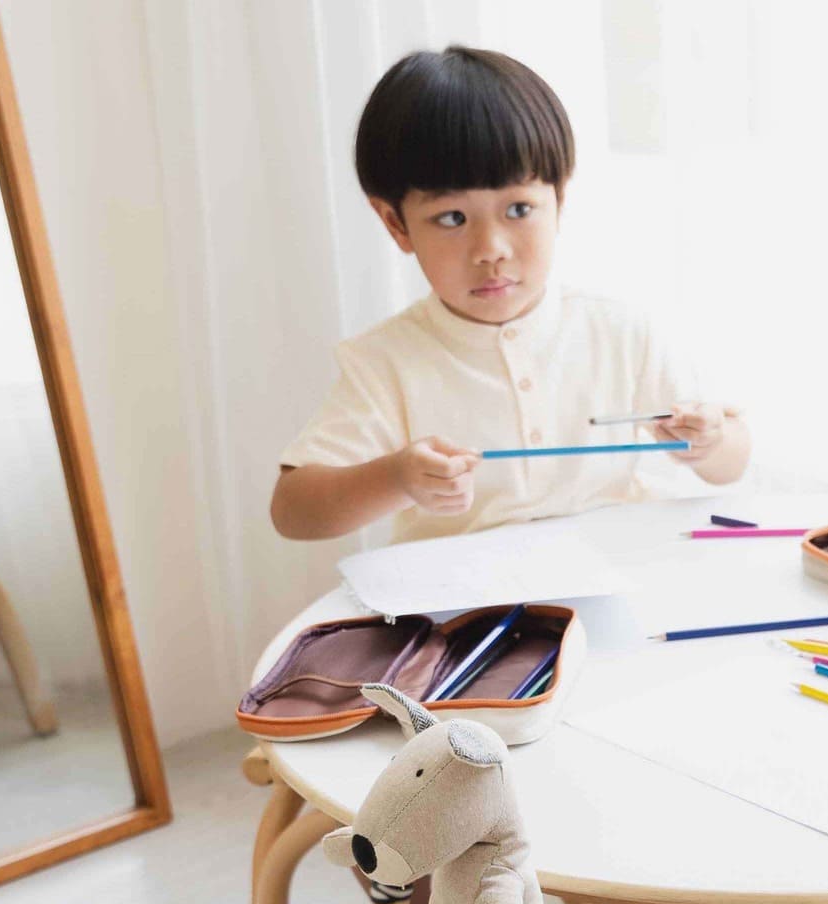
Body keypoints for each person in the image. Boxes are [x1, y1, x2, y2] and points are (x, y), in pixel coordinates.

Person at [272, 45, 747, 543]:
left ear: (559, 200)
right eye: (452, 218)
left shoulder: (619, 330)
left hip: (613, 576)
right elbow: (294, 512)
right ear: (396, 224)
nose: (490, 250)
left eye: (518, 209)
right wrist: (395, 478)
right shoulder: (385, 363)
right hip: (467, 608)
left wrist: (709, 441)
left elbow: (732, 464)